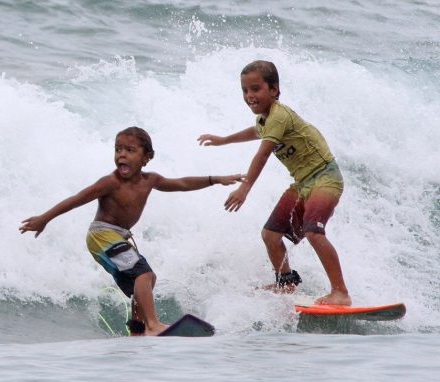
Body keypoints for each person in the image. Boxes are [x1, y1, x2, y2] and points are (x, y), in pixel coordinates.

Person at [20, 126, 245, 335]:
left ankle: (138, 328)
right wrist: (44, 219)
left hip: (116, 237)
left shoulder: (150, 180)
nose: (122, 155)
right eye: (118, 150)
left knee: (147, 279)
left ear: (146, 157)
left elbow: (182, 184)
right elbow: (76, 199)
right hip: (101, 235)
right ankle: (153, 325)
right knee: (143, 274)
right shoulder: (110, 182)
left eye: (130, 150)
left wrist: (215, 179)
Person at [198, 60, 351, 306]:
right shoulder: (265, 120)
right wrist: (224, 140)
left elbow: (263, 153)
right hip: (302, 183)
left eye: (255, 89)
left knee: (314, 232)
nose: (249, 95)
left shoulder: (279, 116)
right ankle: (286, 282)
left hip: (324, 177)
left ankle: (340, 292)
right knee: (270, 234)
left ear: (274, 90)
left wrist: (245, 188)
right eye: (245, 90)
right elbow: (255, 131)